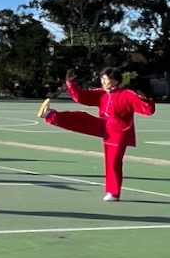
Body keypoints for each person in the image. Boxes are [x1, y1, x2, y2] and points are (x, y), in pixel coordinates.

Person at [39, 67, 156, 201]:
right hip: (104, 125)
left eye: (106, 79)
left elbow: (147, 110)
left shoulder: (127, 94)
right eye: (102, 79)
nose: (103, 81)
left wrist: (146, 99)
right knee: (81, 118)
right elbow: (82, 97)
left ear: (116, 80)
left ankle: (113, 193)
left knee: (113, 161)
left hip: (119, 131)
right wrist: (71, 84)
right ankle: (50, 115)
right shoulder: (102, 93)